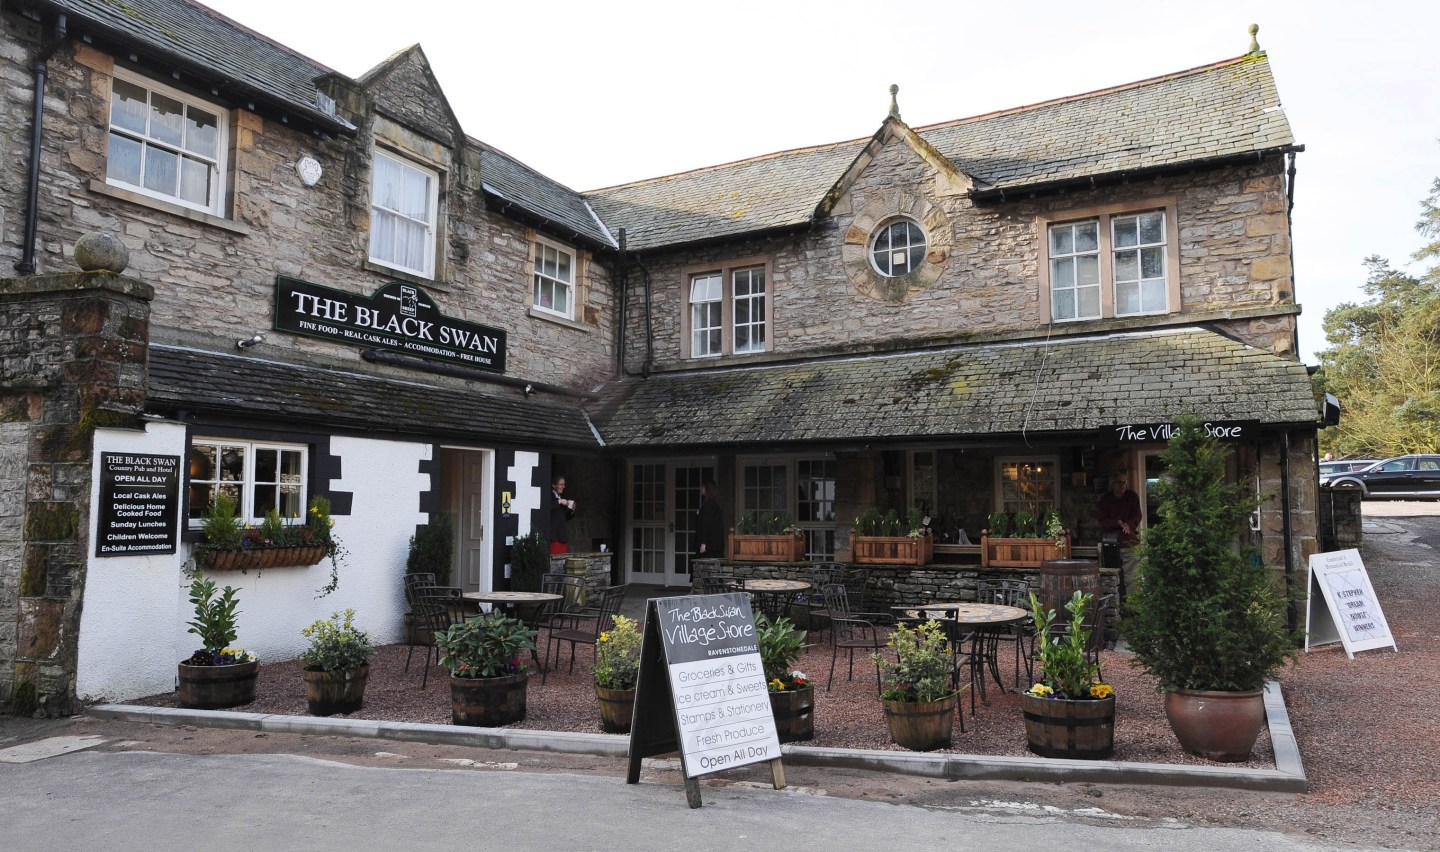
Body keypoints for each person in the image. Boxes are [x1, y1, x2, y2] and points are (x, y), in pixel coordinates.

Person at [1098, 470, 1143, 599]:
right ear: (1112, 484)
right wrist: (1117, 523)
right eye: (1119, 482)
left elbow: (1137, 515)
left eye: (1124, 482)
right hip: (1111, 543)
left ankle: (1133, 606)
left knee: (1133, 575)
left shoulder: (1132, 497)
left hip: (1129, 541)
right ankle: (1113, 603)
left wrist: (1129, 524)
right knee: (1112, 576)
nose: (1122, 485)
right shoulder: (1105, 500)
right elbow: (1102, 521)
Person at [695, 481, 725, 558]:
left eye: (703, 487)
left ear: (707, 489)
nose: (701, 489)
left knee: (706, 568)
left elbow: (706, 524)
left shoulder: (709, 504)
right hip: (713, 545)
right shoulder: (713, 504)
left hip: (709, 546)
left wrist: (703, 543)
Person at [549, 475, 576, 555]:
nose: (563, 486)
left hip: (562, 536)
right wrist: (559, 501)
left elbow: (564, 518)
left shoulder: (561, 498)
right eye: (561, 484)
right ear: (554, 485)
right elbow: (546, 508)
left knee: (562, 563)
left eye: (564, 485)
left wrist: (572, 511)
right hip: (553, 537)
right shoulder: (549, 496)